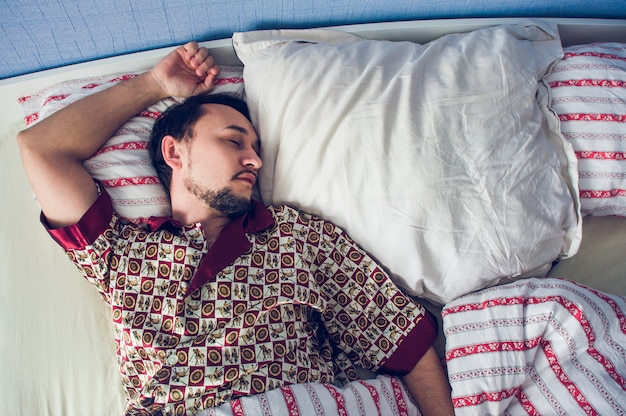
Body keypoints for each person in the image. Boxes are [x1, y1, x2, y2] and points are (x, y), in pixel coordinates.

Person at [17, 42, 454, 416]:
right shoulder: (123, 251)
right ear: (174, 152)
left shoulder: (295, 235)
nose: (255, 161)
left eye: (256, 147)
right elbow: (41, 149)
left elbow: (400, 339)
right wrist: (153, 85)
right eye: (233, 141)